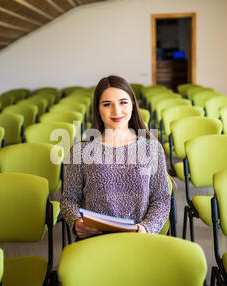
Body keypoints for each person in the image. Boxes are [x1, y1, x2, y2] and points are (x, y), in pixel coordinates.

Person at [60, 75, 171, 239]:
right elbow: (69, 199)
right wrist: (76, 222)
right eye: (107, 104)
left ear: (133, 104)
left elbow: (161, 199)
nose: (116, 111)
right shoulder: (81, 149)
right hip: (95, 240)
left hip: (138, 240)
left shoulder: (152, 148)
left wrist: (146, 228)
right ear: (98, 108)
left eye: (123, 102)